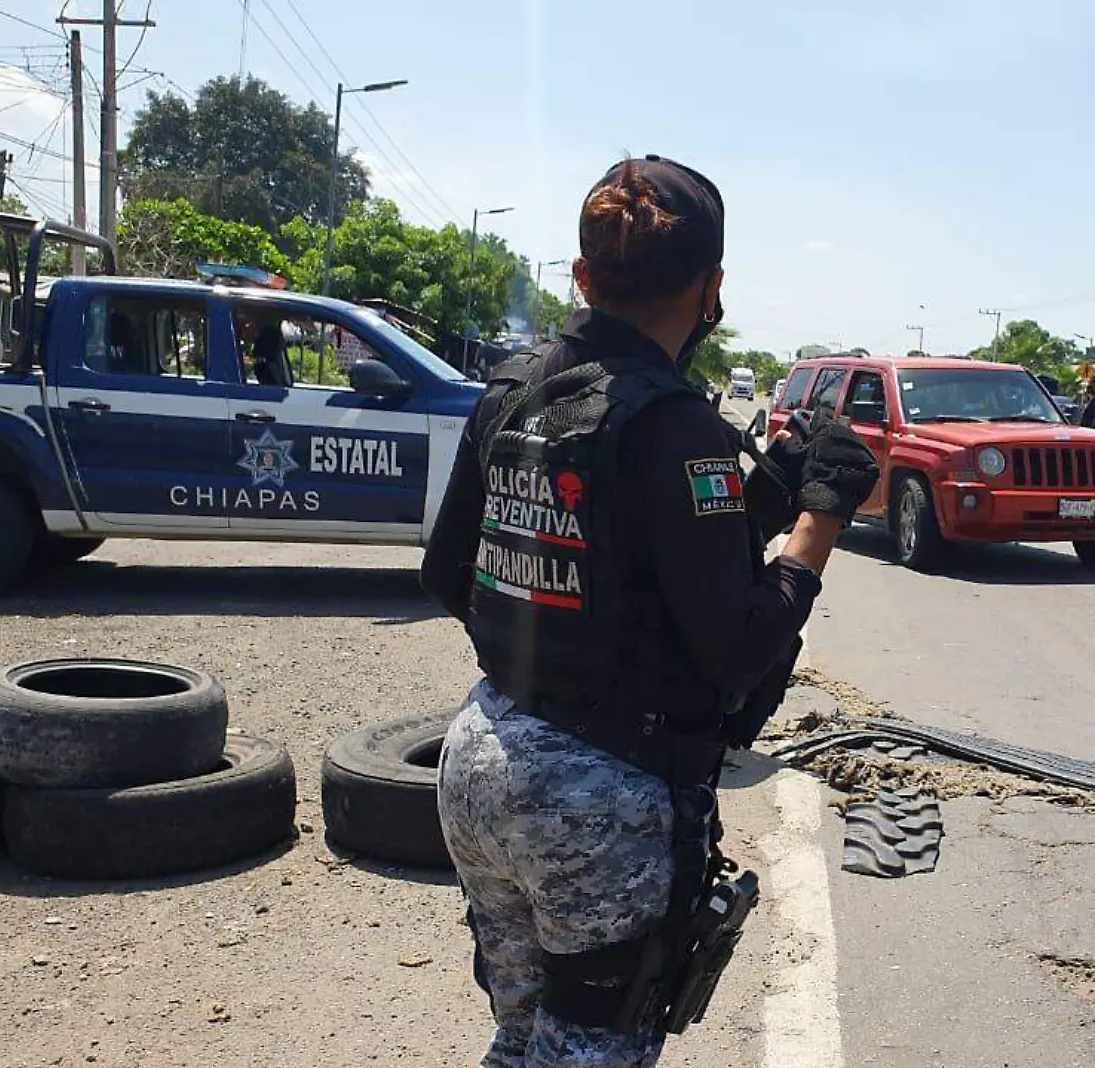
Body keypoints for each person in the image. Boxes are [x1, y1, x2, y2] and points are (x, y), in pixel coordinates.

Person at [418, 154, 879, 1068]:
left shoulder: (512, 388)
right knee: (588, 1052)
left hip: (479, 757)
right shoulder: (676, 426)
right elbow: (739, 643)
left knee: (520, 1039)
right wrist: (820, 520)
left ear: (583, 277)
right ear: (711, 292)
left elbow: (450, 573)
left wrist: (756, 503)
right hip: (598, 799)